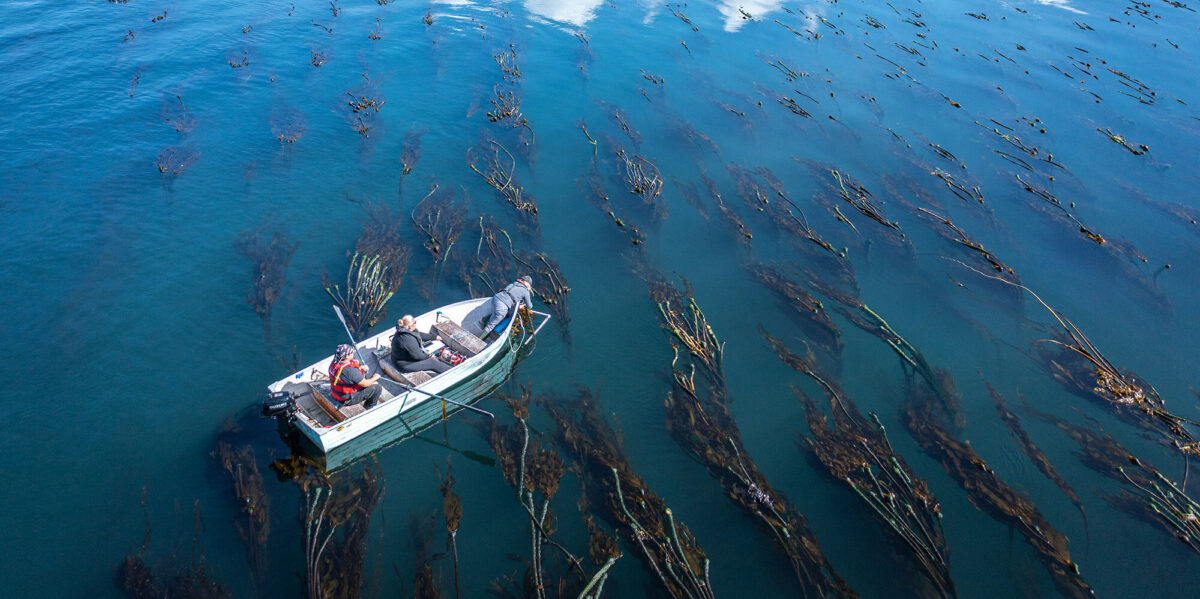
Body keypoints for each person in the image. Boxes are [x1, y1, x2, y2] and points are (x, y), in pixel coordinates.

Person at [481, 275, 534, 341]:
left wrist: (518, 305)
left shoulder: (513, 283)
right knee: (491, 325)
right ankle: (478, 340)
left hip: (496, 298)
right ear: (528, 285)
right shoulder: (525, 291)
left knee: (495, 316)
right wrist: (523, 305)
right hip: (502, 305)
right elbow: (530, 306)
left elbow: (511, 296)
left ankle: (485, 322)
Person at [327, 344, 381, 409]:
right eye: (352, 352)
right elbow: (365, 384)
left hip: (335, 393)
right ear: (347, 356)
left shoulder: (335, 362)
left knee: (362, 375)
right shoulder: (349, 371)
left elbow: (348, 373)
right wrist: (375, 377)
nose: (353, 353)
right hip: (345, 399)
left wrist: (360, 367)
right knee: (377, 388)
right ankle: (369, 407)